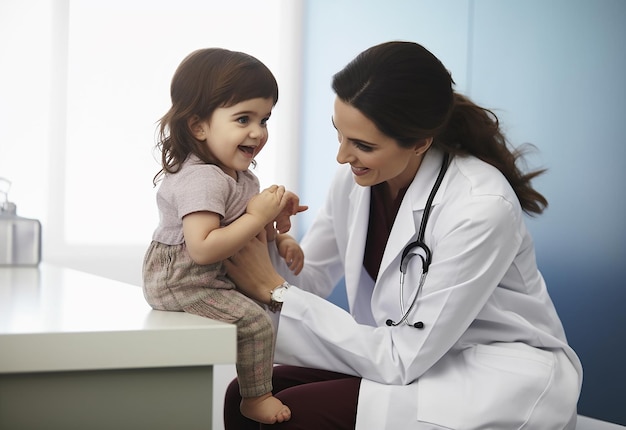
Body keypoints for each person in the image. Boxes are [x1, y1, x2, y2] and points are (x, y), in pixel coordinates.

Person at [222, 41, 583, 429]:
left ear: (420, 142)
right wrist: (269, 243)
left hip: (491, 375)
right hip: (410, 358)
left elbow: (401, 356)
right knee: (242, 393)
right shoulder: (353, 182)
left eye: (363, 145)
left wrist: (273, 289)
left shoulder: (481, 206)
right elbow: (309, 282)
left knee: (292, 416)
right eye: (339, 134)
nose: (342, 156)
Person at [142, 48, 307, 425]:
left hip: (210, 277)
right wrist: (257, 215)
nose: (258, 132)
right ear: (199, 126)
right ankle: (256, 397)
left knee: (269, 313)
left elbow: (253, 233)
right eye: (243, 119)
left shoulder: (244, 177)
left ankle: (258, 388)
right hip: (180, 280)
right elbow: (202, 247)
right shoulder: (200, 177)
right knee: (254, 323)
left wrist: (280, 237)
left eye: (264, 119)